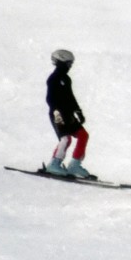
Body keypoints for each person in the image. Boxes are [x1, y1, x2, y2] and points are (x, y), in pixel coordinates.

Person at [43, 49, 93, 178]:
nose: (70, 66)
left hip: (68, 114)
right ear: (61, 62)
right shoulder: (53, 79)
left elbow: (70, 97)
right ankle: (54, 164)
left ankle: (74, 165)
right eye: (68, 63)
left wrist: (78, 111)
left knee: (83, 135)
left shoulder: (66, 79)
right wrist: (58, 111)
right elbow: (50, 99)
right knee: (66, 138)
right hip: (58, 114)